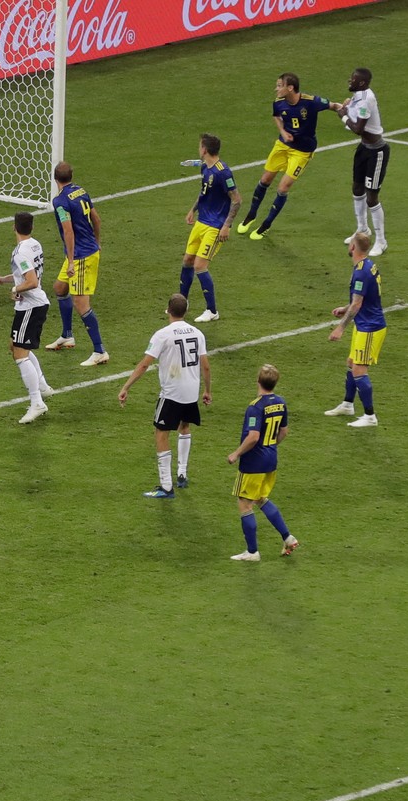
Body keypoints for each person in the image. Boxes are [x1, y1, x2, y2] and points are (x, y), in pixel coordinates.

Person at [119, 294, 212, 499]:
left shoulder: (163, 334)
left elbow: (145, 364)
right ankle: (182, 473)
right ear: (186, 311)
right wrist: (207, 391)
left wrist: (126, 386)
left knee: (161, 433)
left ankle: (166, 486)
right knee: (184, 427)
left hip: (172, 394)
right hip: (191, 393)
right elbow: (205, 365)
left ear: (168, 310)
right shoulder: (198, 333)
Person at [236, 73, 343, 241]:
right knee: (265, 180)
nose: (276, 89)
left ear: (290, 87)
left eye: (279, 86)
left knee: (283, 188)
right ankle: (251, 215)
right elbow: (276, 116)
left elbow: (333, 106)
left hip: (302, 152)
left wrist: (344, 107)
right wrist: (283, 132)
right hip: (282, 146)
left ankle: (266, 224)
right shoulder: (278, 103)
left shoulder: (311, 102)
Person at [0, 212, 55, 423]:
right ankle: (42, 385)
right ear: (31, 228)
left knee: (20, 354)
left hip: (30, 306)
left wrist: (15, 288)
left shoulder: (20, 252)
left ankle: (36, 402)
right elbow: (28, 273)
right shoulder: (35, 245)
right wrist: (6, 280)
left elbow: (31, 281)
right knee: (14, 345)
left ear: (13, 227)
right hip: (35, 305)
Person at [227, 365, 298, 561]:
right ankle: (288, 538)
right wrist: (270, 446)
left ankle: (252, 552)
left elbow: (253, 437)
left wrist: (236, 453)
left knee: (244, 503)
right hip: (270, 459)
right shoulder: (280, 403)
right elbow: (283, 431)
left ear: (258, 381)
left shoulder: (255, 407)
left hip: (253, 462)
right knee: (260, 498)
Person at [44, 162, 108, 366]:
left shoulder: (60, 202)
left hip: (80, 257)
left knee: (81, 304)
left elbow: (68, 230)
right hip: (83, 251)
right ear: (71, 176)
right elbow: (96, 219)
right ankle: (67, 335)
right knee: (60, 288)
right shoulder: (80, 191)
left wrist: (71, 262)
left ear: (55, 179)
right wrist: (97, 242)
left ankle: (100, 351)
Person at [179, 134, 241, 323]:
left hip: (215, 227)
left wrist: (227, 226)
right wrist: (193, 209)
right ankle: (182, 303)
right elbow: (204, 192)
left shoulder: (224, 172)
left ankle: (212, 310)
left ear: (205, 149)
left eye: (200, 146)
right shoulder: (205, 167)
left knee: (200, 265)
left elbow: (237, 200)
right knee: (188, 260)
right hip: (201, 222)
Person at [326, 232, 386, 427]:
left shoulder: (361, 271)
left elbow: (358, 304)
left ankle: (370, 416)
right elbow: (363, 298)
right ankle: (347, 404)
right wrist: (346, 307)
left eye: (350, 243)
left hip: (370, 327)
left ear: (353, 247)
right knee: (352, 363)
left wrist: (340, 328)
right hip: (364, 324)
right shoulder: (367, 265)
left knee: (359, 370)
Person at [340, 68, 388, 256]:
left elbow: (358, 129)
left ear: (361, 83)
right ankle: (362, 230)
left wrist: (342, 114)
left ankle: (381, 241)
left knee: (371, 197)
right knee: (357, 188)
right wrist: (344, 110)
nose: (349, 81)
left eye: (352, 79)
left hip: (377, 152)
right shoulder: (357, 97)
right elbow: (351, 124)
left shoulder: (367, 99)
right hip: (363, 149)